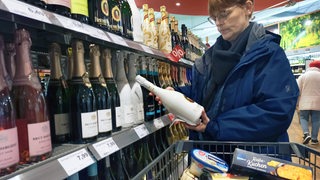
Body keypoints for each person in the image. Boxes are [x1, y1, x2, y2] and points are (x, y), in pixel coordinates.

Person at [155, 0, 299, 144]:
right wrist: (177, 94)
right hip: (210, 157)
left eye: (224, 14)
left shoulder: (269, 55)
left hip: (252, 160)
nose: (219, 23)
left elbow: (276, 112)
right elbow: (203, 95)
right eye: (214, 18)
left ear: (248, 8)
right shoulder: (209, 58)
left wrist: (217, 127)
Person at [297, 60, 320, 145]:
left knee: (303, 118)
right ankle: (314, 139)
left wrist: (297, 103)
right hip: (318, 102)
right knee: (316, 120)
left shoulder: (303, 76)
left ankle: (306, 133)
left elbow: (298, 90)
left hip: (304, 101)